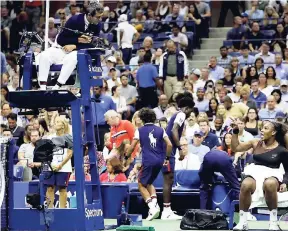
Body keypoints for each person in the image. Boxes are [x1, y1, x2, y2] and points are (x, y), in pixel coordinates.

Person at [231, 120, 288, 231]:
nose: (261, 130)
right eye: (261, 128)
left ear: (273, 132)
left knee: (270, 184)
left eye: (266, 128)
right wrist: (235, 132)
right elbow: (236, 148)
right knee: (245, 184)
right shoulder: (255, 142)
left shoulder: (282, 150)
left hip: (273, 173)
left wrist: (285, 182)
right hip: (255, 172)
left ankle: (273, 222)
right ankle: (243, 222)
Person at [38, 1, 104, 90]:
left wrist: (75, 46)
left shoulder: (98, 25)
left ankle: (57, 86)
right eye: (98, 17)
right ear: (89, 15)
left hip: (79, 52)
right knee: (44, 55)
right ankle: (42, 87)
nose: (100, 19)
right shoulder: (74, 20)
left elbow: (93, 44)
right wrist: (76, 40)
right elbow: (60, 39)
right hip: (62, 48)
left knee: (73, 57)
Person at [126, 108, 172, 221]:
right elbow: (169, 144)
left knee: (141, 184)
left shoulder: (139, 130)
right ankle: (155, 205)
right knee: (149, 182)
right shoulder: (161, 129)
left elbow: (132, 146)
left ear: (142, 118)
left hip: (148, 161)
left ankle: (151, 207)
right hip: (160, 161)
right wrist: (167, 157)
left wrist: (127, 156)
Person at [161, 92, 195, 220]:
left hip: (167, 150)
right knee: (168, 179)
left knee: (168, 179)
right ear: (186, 108)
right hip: (167, 151)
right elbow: (173, 131)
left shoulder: (178, 114)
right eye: (190, 111)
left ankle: (167, 209)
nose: (190, 114)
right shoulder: (181, 114)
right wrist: (180, 148)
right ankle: (166, 211)